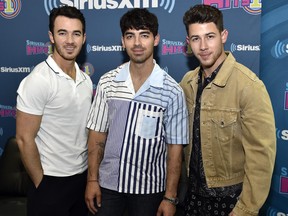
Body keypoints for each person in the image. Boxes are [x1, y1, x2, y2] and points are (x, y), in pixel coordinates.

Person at [85, 8, 189, 216]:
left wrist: (170, 197)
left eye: (144, 35)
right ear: (123, 41)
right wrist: (92, 180)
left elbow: (175, 149)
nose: (137, 43)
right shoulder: (107, 82)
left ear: (156, 39)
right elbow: (97, 135)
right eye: (130, 36)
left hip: (149, 192)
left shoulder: (172, 91)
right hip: (108, 187)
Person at [179, 4, 276, 216]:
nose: (203, 46)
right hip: (192, 199)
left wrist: (246, 209)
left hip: (231, 202)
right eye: (196, 39)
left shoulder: (249, 86)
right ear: (188, 42)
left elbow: (261, 156)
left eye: (210, 36)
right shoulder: (187, 83)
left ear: (223, 35)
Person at [16, 5, 93, 216]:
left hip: (81, 180)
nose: (70, 40)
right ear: (51, 36)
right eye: (62, 33)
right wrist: (42, 184)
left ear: (84, 38)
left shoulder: (86, 80)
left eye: (76, 33)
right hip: (49, 182)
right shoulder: (38, 81)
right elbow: (24, 139)